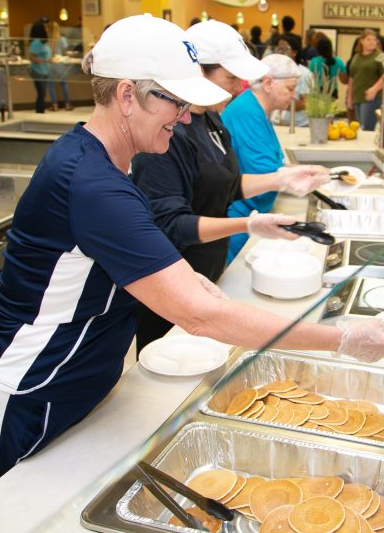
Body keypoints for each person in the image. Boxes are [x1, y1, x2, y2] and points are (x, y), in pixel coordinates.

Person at [0, 15, 384, 504]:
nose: (183, 118)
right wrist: (343, 340)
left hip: (78, 381)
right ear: (126, 96)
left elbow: (165, 268)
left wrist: (213, 279)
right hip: (28, 387)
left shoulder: (108, 162)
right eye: (175, 103)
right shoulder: (92, 184)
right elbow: (199, 317)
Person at [130, 19, 330, 351]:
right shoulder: (168, 135)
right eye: (229, 78)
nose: (238, 88)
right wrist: (249, 224)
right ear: (196, 72)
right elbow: (170, 224)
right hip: (176, 280)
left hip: (211, 269)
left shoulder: (211, 119)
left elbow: (227, 185)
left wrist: (283, 177)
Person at [223, 53, 305, 261]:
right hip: (240, 220)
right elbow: (263, 171)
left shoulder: (257, 110)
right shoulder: (246, 111)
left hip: (253, 215)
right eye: (290, 88)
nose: (294, 95)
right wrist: (299, 176)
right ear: (268, 83)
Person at [346, 29, 384, 132]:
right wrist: (349, 97)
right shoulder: (356, 57)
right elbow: (352, 78)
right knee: (359, 127)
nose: (372, 42)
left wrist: (374, 89)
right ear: (362, 41)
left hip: (371, 98)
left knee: (366, 128)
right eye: (368, 39)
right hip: (357, 97)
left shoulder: (380, 56)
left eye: (374, 40)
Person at [308, 34, 346, 99]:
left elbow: (310, 79)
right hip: (333, 92)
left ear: (318, 49)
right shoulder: (338, 61)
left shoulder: (314, 61)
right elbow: (344, 80)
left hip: (318, 91)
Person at [27, 18, 51, 114]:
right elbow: (32, 58)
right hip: (37, 71)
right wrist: (46, 60)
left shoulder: (43, 43)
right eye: (45, 27)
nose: (47, 29)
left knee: (43, 93)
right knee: (41, 93)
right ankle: (39, 112)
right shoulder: (36, 42)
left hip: (44, 70)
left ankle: (41, 111)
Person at [47, 21, 71, 111]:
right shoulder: (62, 39)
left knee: (51, 85)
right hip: (60, 64)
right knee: (64, 84)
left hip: (50, 64)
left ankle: (55, 105)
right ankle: (67, 104)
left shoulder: (47, 40)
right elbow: (65, 52)